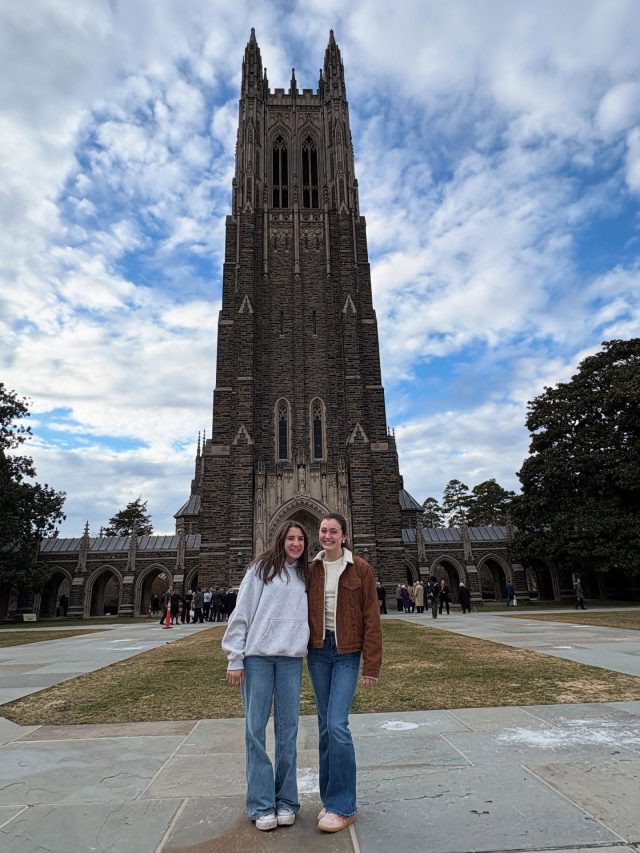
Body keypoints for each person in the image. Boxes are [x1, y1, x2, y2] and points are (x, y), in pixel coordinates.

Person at [222, 521, 310, 832]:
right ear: (280, 539)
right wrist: (235, 656)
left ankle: (287, 800)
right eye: (291, 538)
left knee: (288, 732)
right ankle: (261, 804)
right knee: (255, 730)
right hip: (257, 658)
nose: (296, 543)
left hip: (290, 661)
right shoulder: (260, 569)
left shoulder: (307, 573)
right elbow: (242, 611)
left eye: (300, 539)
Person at [307, 512, 382, 833]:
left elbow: (371, 617)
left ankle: (344, 806)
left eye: (333, 531)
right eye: (323, 531)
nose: (327, 535)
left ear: (344, 535)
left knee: (337, 724)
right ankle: (330, 800)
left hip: (347, 652)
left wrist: (372, 665)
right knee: (325, 727)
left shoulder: (360, 568)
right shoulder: (310, 569)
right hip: (318, 652)